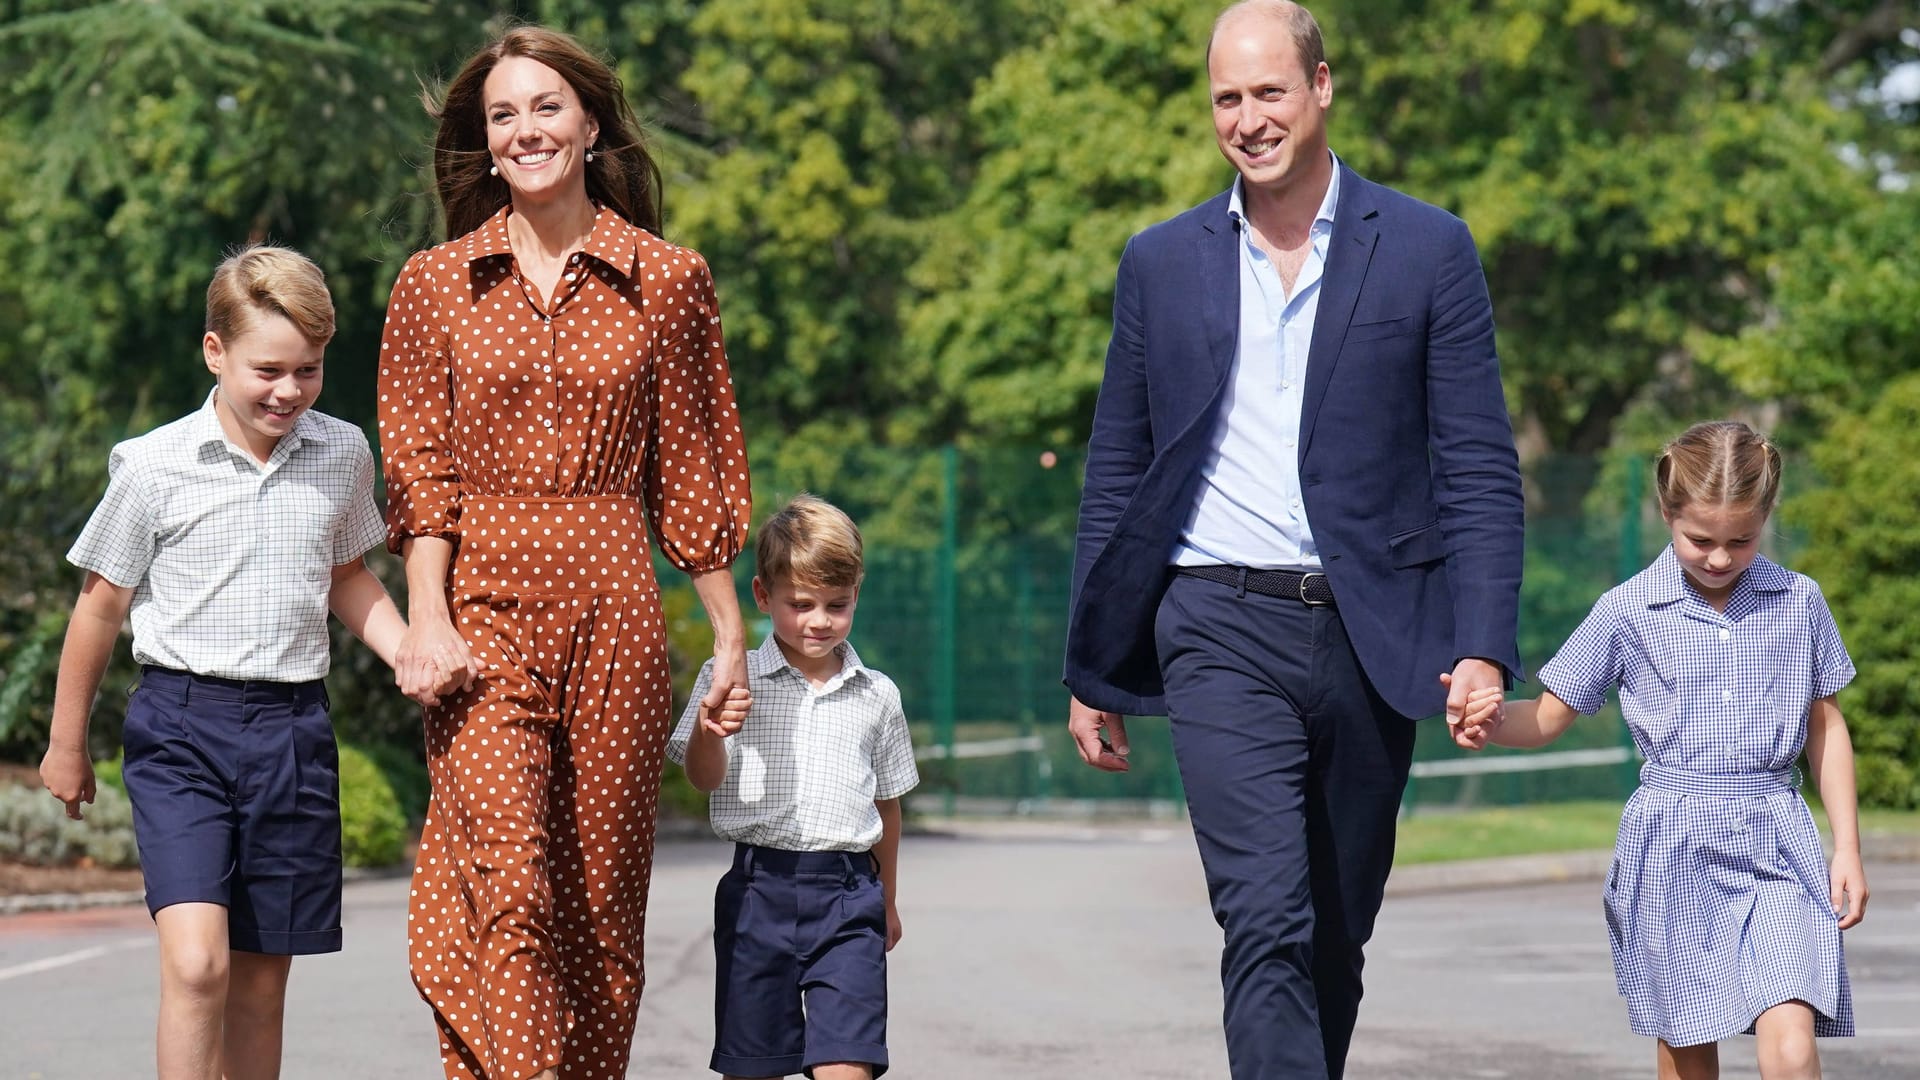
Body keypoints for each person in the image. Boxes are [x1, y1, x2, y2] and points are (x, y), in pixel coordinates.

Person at [1062, 2, 1525, 1076]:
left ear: (1322, 88)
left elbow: (1476, 466)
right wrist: (1092, 662)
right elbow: (1117, 473)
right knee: (1264, 919)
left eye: (1269, 92)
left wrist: (1485, 643)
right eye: (1228, 97)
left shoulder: (1427, 248)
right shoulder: (1162, 261)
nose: (1248, 118)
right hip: (1215, 623)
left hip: (1376, 636)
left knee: (1332, 931)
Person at [377, 24, 755, 1080]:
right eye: (504, 114)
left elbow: (689, 469)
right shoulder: (433, 285)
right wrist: (429, 620)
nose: (526, 128)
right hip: (482, 614)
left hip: (615, 615)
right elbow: (419, 477)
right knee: (508, 885)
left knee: (596, 907)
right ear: (484, 141)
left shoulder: (668, 281)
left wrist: (729, 637)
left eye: (547, 107)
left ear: (590, 124)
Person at [37, 244, 426, 1080]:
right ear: (215, 352)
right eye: (268, 369)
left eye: (309, 370)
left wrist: (407, 650)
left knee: (256, 983)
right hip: (182, 732)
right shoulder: (152, 465)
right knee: (198, 965)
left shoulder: (342, 452)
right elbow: (99, 607)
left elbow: (347, 577)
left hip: (292, 734)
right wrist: (66, 743)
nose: (289, 390)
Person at [1450, 420, 1867, 1080]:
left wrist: (1845, 846)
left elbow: (1826, 728)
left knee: (1791, 1037)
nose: (1721, 558)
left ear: (1767, 518)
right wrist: (1488, 720)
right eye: (1701, 539)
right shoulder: (1627, 610)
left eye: (1742, 540)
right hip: (1672, 845)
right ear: (1666, 512)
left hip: (1778, 840)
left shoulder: (1800, 602)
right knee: (1688, 1050)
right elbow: (1548, 718)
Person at [667, 494, 918, 1080]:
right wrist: (709, 729)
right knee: (752, 1067)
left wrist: (887, 899)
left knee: (847, 1066)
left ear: (857, 593)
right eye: (799, 604)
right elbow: (703, 778)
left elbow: (888, 804)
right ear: (762, 596)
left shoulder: (877, 694)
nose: (818, 620)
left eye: (837, 604)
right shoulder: (728, 678)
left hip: (849, 895)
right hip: (758, 892)